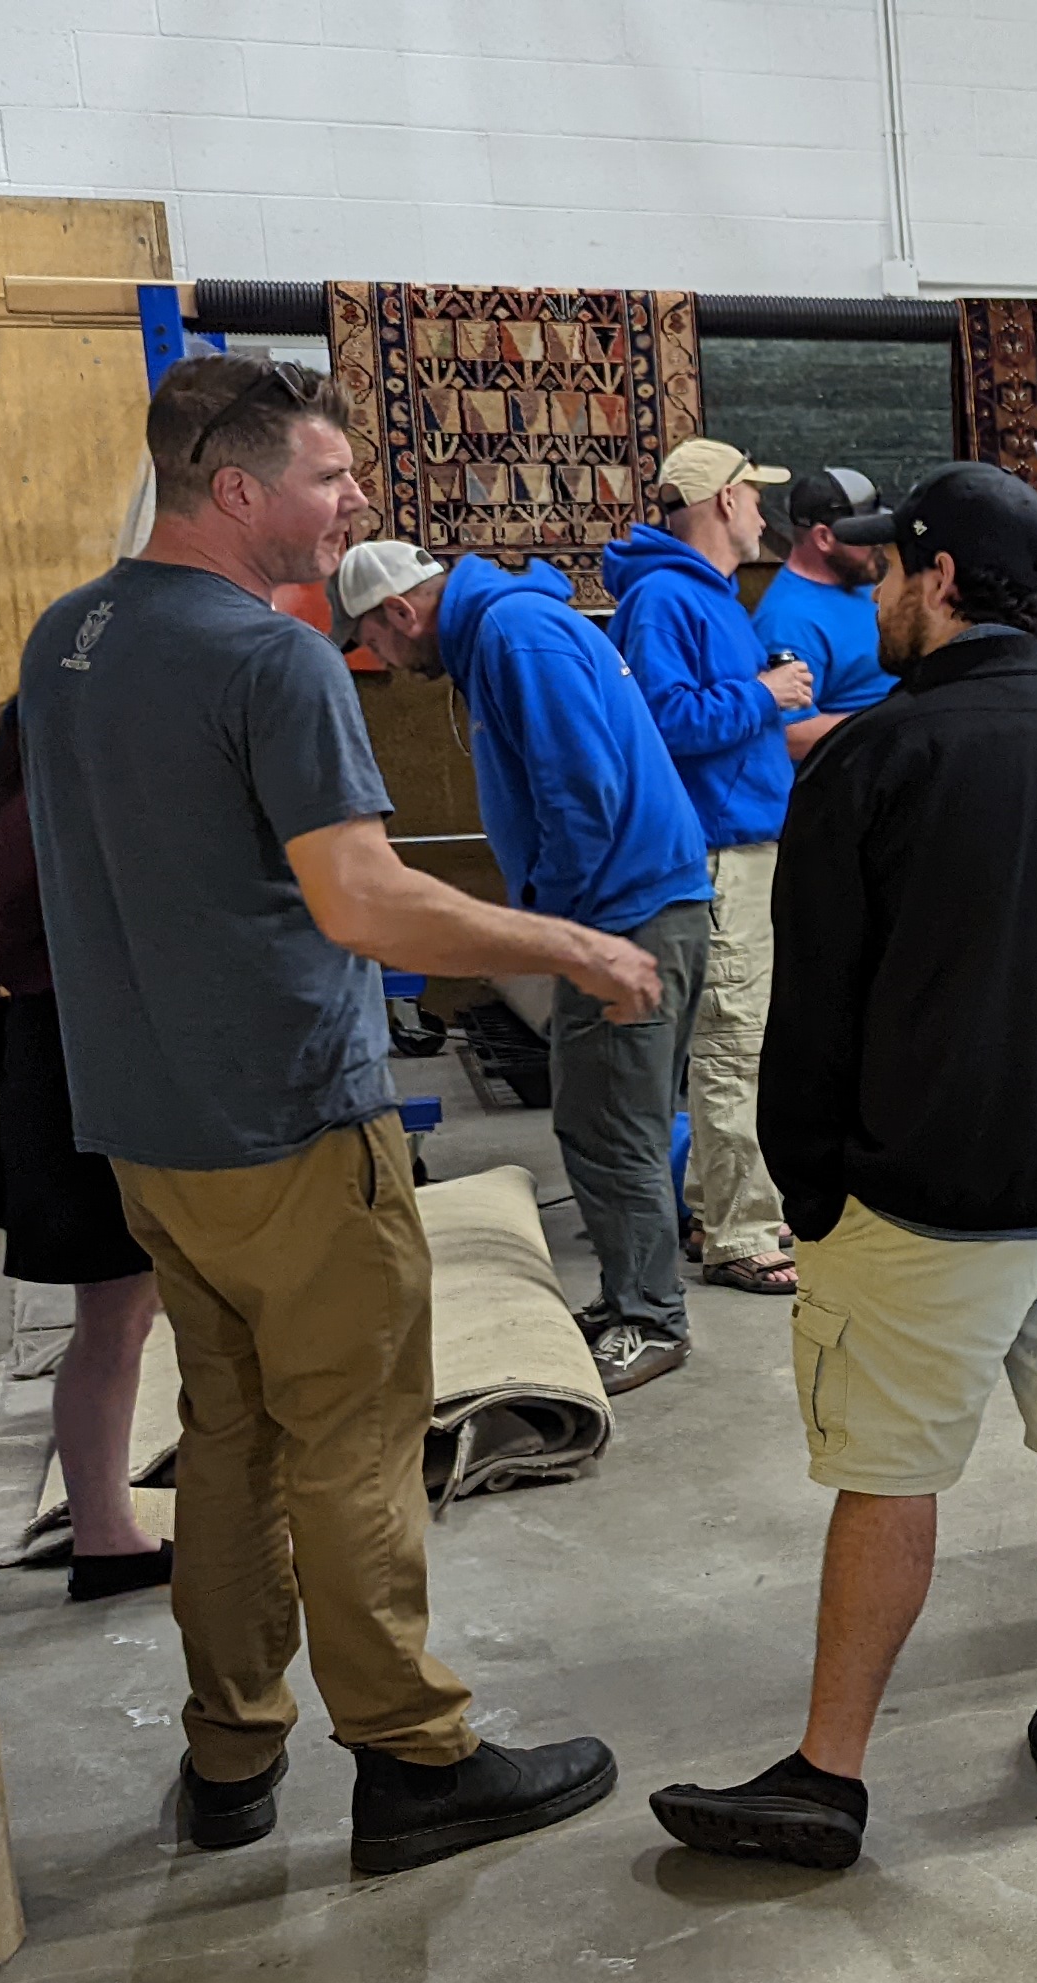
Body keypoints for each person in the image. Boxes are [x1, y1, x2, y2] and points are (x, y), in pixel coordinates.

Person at [20, 352, 650, 1872]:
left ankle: (231, 1754)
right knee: (357, 1442)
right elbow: (362, 899)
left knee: (231, 1435)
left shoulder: (71, 636)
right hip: (291, 1119)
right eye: (330, 476)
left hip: (150, 1124)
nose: (357, 501)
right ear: (237, 491)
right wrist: (568, 945)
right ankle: (414, 1758)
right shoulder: (274, 659)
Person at [646, 464, 1037, 1869]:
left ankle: (830, 1772)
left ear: (943, 579)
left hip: (928, 1195)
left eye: (893, 572)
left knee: (892, 1475)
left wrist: (809, 1194)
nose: (878, 596)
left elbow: (816, 1010)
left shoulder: (871, 762)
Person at [334, 538, 716, 1395]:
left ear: (400, 611)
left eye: (373, 641)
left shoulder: (514, 635)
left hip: (622, 916)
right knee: (606, 1115)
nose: (380, 661)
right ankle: (633, 1296)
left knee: (611, 1123)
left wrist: (558, 931)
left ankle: (651, 1318)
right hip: (631, 909)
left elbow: (581, 792)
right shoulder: (502, 632)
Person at [0, 697, 168, 1600]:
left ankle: (107, 1532)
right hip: (74, 1070)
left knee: (119, 1318)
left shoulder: (15, 806)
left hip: (60, 1062)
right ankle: (105, 1537)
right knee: (113, 1318)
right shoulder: (44, 819)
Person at [605, 435, 808, 1299]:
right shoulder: (665, 598)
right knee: (734, 1045)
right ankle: (741, 1232)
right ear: (725, 500)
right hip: (719, 850)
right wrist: (765, 695)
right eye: (754, 496)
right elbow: (662, 721)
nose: (763, 512)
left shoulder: (705, 596)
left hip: (740, 843)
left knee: (740, 1038)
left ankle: (713, 1206)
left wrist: (758, 691)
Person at [755, 466, 899, 763]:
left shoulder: (858, 578)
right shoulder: (789, 623)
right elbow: (790, 736)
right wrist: (899, 722)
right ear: (824, 538)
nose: (876, 542)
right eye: (863, 533)